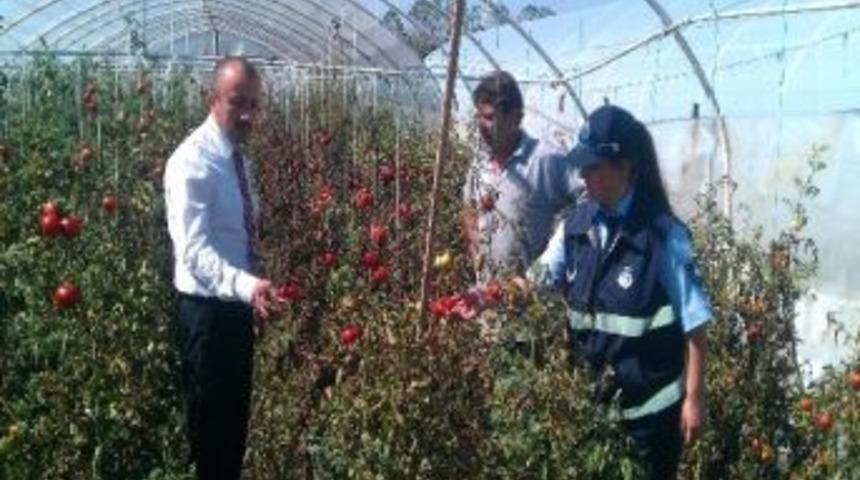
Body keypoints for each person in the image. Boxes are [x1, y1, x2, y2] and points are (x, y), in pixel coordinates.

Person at [529, 104, 711, 479]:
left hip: (649, 420)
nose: (584, 175)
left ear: (625, 167)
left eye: (593, 166)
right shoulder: (576, 226)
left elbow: (695, 323)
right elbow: (537, 278)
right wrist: (491, 295)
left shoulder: (663, 237)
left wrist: (694, 399)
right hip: (593, 412)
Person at [164, 56, 278, 480]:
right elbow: (194, 250)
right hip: (206, 318)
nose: (248, 114)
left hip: (233, 310)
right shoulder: (192, 162)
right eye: (238, 103)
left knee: (233, 435)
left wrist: (251, 292)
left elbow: (239, 234)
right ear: (214, 99)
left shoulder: (237, 159)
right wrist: (247, 286)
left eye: (254, 104)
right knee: (211, 440)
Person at [462, 70, 581, 284]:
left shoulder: (546, 160)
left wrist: (555, 257)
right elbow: (469, 206)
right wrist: (474, 243)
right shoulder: (479, 164)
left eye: (490, 117)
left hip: (530, 304)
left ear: (516, 118)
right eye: (479, 115)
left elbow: (591, 199)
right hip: (486, 297)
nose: (481, 124)